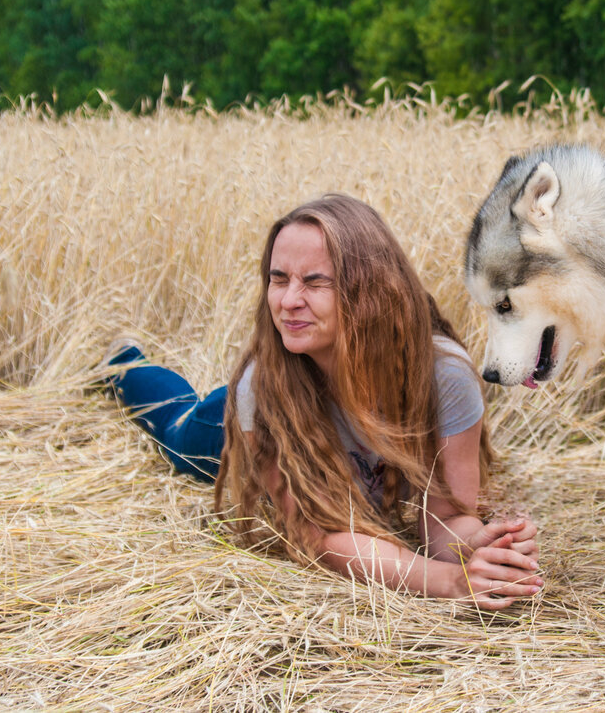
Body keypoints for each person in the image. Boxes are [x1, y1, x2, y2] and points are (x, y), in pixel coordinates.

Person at [102, 194, 541, 609]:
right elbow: (316, 533)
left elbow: (444, 518)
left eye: (315, 283)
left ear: (369, 291)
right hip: (251, 420)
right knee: (178, 436)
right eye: (278, 280)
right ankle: (122, 363)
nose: (289, 301)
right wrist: (448, 582)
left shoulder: (442, 374)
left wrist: (484, 548)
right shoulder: (260, 390)